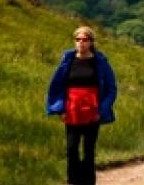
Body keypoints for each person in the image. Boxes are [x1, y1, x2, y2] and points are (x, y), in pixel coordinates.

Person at [46, 26, 117, 185]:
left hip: (93, 110)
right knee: (71, 148)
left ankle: (88, 181)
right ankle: (73, 180)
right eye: (78, 40)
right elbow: (56, 86)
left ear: (91, 42)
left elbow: (111, 89)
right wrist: (60, 109)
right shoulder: (68, 61)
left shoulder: (100, 62)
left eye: (84, 40)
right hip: (72, 110)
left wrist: (102, 109)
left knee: (89, 150)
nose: (81, 43)